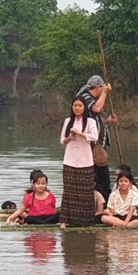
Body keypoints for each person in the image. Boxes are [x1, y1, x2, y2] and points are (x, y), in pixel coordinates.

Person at [76, 75, 117, 201]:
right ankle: (100, 203)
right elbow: (96, 108)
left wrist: (108, 122)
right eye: (101, 88)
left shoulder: (92, 100)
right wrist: (105, 92)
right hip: (91, 147)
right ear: (98, 87)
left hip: (98, 146)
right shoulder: (85, 97)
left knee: (102, 178)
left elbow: (96, 121)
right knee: (97, 177)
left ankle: (104, 203)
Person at [60, 96, 99, 228]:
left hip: (85, 161)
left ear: (84, 107)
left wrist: (80, 133)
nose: (77, 108)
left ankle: (86, 221)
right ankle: (65, 220)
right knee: (69, 190)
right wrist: (70, 137)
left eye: (80, 106)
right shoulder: (67, 121)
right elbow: (62, 141)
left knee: (86, 192)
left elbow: (95, 137)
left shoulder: (90, 122)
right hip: (69, 160)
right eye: (75, 105)